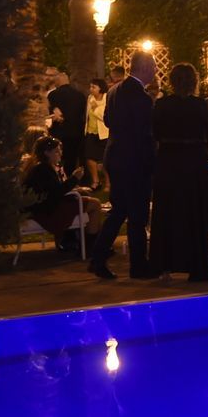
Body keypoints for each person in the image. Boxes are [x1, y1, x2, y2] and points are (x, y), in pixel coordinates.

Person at [149, 63, 208, 283]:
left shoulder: (162, 105)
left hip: (169, 161)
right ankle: (197, 267)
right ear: (193, 81)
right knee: (193, 213)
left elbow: (155, 132)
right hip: (193, 161)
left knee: (167, 213)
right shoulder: (200, 105)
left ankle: (164, 266)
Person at [91, 51, 157, 280]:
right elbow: (145, 135)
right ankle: (138, 265)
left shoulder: (114, 91)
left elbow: (108, 120)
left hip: (116, 157)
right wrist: (152, 163)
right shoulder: (142, 98)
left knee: (119, 211)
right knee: (137, 214)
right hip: (134, 161)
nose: (156, 71)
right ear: (144, 67)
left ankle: (98, 257)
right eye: (154, 66)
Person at [21, 135, 99, 251]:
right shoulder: (42, 169)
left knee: (86, 196)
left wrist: (75, 188)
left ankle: (77, 241)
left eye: (60, 150)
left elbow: (55, 190)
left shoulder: (47, 167)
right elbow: (55, 192)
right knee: (95, 204)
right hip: (47, 211)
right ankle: (90, 245)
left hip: (48, 206)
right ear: (47, 153)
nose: (61, 154)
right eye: (57, 151)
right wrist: (74, 178)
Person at [46, 70, 86, 171]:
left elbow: (51, 111)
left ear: (58, 81)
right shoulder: (80, 95)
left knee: (57, 158)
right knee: (72, 158)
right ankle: (71, 176)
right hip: (76, 132)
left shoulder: (53, 95)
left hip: (59, 132)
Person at [82, 77, 109, 189]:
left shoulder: (107, 98)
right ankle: (95, 181)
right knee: (89, 157)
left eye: (94, 87)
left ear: (100, 88)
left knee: (106, 159)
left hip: (104, 133)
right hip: (91, 132)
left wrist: (96, 108)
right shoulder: (90, 98)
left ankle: (108, 183)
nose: (91, 89)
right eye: (90, 87)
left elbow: (105, 117)